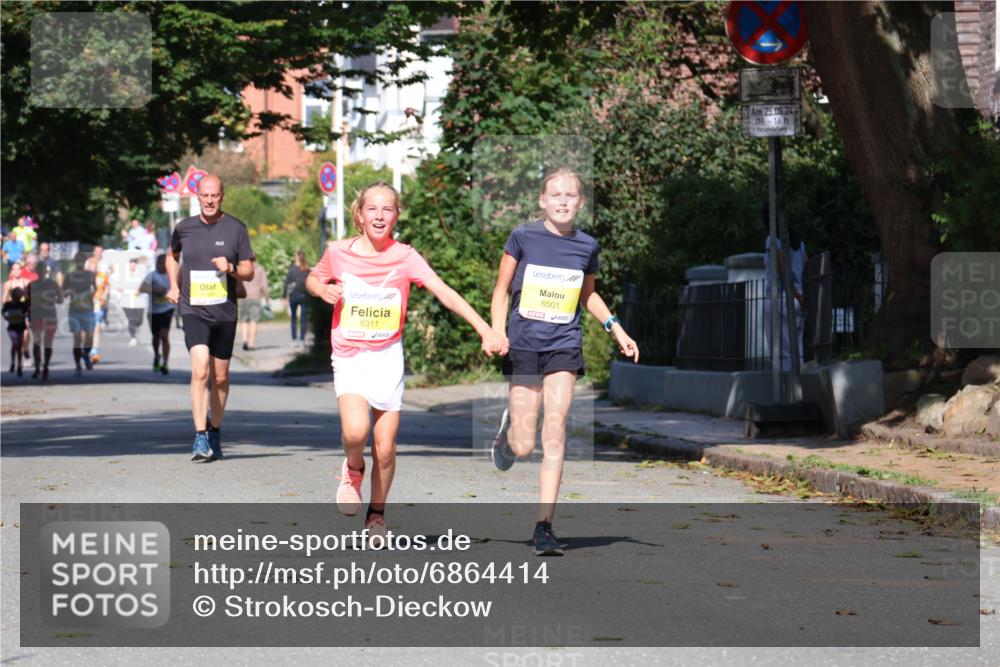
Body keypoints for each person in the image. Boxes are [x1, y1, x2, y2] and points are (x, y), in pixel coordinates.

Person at [306, 181, 506, 536]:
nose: (380, 215)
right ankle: (353, 470)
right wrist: (323, 289)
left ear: (396, 215)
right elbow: (314, 278)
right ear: (360, 215)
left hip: (387, 356)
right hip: (350, 353)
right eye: (373, 209)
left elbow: (444, 292)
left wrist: (485, 329)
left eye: (387, 209)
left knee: (385, 449)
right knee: (356, 432)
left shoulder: (405, 256)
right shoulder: (338, 251)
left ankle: (377, 516)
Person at [489, 167, 640, 556]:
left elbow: (588, 295)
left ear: (580, 203)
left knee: (554, 430)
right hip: (523, 344)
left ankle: (544, 526)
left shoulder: (586, 246)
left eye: (570, 195)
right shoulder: (522, 237)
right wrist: (497, 331)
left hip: (563, 345)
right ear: (542, 200)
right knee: (524, 446)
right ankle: (508, 434)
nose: (562, 201)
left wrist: (616, 328)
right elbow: (501, 290)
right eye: (554, 194)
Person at [166, 174, 255, 463]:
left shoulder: (236, 229)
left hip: (224, 313)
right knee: (200, 369)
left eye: (214, 195)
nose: (209, 200)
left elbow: (248, 271)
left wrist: (230, 267)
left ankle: (215, 430)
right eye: (204, 195)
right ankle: (200, 435)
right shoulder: (184, 228)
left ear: (222, 196)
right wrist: (174, 285)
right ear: (197, 195)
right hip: (193, 309)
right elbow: (171, 256)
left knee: (220, 377)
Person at [762, 202, 807, 371]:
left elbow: (782, 271)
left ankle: (786, 391)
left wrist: (794, 294)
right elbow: (805, 265)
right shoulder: (799, 243)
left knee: (780, 351)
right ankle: (799, 388)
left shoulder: (772, 241)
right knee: (797, 347)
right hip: (798, 300)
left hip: (778, 297)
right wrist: (801, 297)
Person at [63, 252, 97, 376]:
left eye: (81, 261)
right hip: (74, 311)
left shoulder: (90, 275)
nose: (80, 264)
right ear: (75, 263)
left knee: (89, 338)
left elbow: (96, 288)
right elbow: (63, 292)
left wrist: (93, 293)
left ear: (84, 263)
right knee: (77, 339)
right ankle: (78, 365)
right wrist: (68, 292)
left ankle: (85, 354)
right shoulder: (70, 276)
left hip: (88, 310)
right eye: (77, 261)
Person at [141, 253, 174, 374]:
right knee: (156, 337)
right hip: (153, 311)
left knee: (165, 336)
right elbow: (141, 289)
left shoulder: (171, 276)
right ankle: (156, 356)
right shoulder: (152, 276)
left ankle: (165, 363)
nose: (159, 266)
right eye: (158, 263)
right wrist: (154, 290)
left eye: (162, 263)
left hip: (167, 309)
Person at [28, 262, 61, 380]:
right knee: (44, 343)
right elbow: (60, 300)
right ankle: (42, 367)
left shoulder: (33, 285)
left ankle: (42, 367)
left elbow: (61, 299)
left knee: (40, 342)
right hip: (45, 315)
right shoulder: (51, 285)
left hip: (43, 316)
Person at [283, 250, 311, 348]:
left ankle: (294, 340)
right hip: (304, 296)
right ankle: (302, 340)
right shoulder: (307, 269)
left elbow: (286, 283)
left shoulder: (292, 270)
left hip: (293, 296)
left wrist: (284, 296)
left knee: (293, 318)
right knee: (303, 319)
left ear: (297, 258)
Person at [239, 262, 269, 351]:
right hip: (255, 297)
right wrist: (267, 298)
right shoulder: (260, 269)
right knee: (254, 320)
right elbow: (264, 285)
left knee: (244, 320)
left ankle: (244, 340)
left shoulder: (242, 268)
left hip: (243, 296)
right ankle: (251, 343)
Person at [88, 246, 111, 363]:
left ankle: (94, 350)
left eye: (95, 265)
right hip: (86, 304)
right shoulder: (85, 276)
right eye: (91, 266)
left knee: (96, 326)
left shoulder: (103, 274)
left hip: (98, 302)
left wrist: (105, 297)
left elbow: (107, 286)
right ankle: (88, 348)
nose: (93, 266)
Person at [121, 256, 150, 346]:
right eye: (131, 264)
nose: (132, 266)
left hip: (139, 301)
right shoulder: (124, 275)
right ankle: (133, 337)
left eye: (134, 264)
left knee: (139, 321)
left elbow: (146, 285)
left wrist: (141, 290)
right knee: (131, 320)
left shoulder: (142, 274)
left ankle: (134, 331)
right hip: (127, 301)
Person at [3, 286, 28, 376]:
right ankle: (13, 362)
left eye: (18, 294)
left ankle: (19, 365)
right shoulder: (8, 304)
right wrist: (7, 317)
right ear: (12, 295)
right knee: (16, 343)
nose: (16, 296)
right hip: (12, 327)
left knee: (18, 346)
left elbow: (27, 310)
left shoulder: (23, 305)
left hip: (21, 327)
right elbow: (3, 312)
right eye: (15, 294)